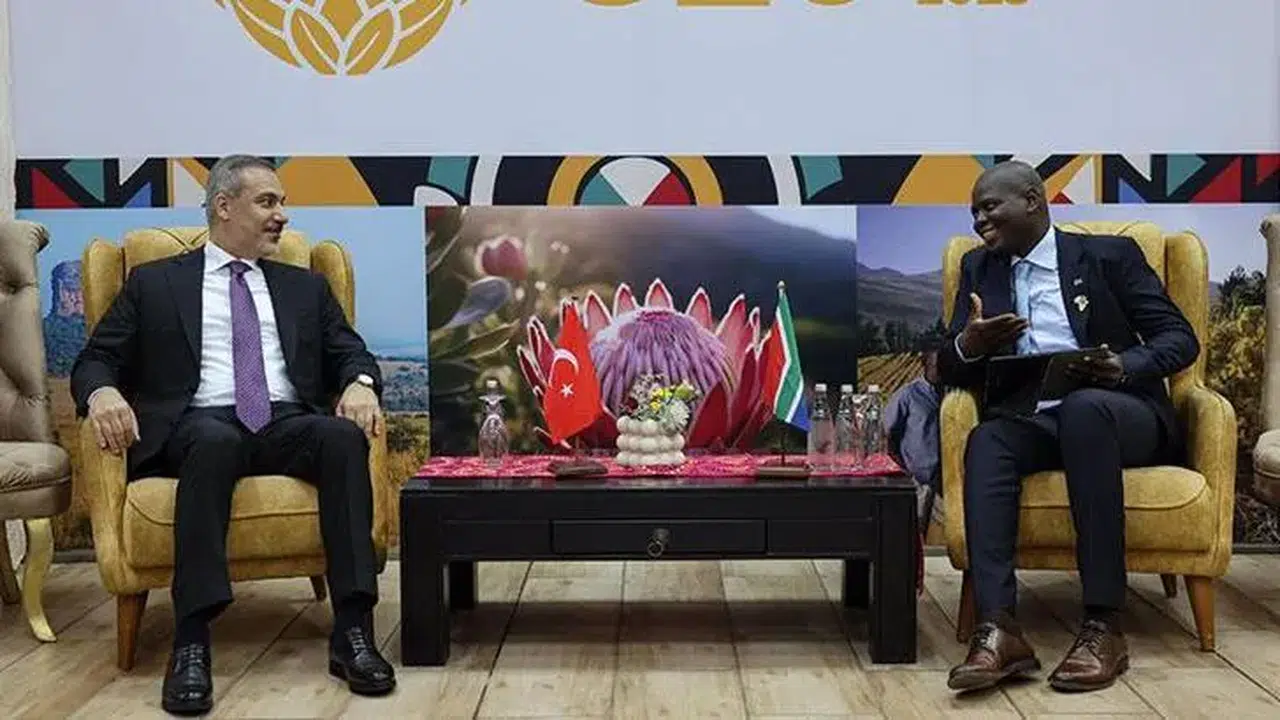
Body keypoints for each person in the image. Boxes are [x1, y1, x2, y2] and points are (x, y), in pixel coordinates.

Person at [69, 155, 395, 715]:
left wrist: (360, 384)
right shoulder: (156, 283)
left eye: (282, 203)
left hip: (284, 420)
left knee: (342, 440)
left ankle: (353, 631)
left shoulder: (304, 287)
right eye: (267, 202)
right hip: (200, 422)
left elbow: (352, 353)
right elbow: (96, 359)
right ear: (223, 206)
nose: (282, 215)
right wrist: (101, 394)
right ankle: (192, 640)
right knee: (214, 442)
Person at [938, 161, 1198, 694]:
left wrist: (1123, 366)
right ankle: (999, 629)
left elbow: (1179, 339)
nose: (979, 221)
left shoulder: (1109, 257)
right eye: (974, 213)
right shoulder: (979, 268)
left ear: (1033, 201)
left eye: (990, 207)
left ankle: (1104, 625)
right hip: (1038, 420)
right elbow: (945, 364)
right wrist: (971, 343)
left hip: (1123, 413)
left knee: (1084, 410)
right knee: (988, 438)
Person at [883, 349, 942, 526]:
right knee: (913, 527)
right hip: (916, 480)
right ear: (924, 365)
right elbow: (886, 435)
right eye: (935, 366)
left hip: (942, 482)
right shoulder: (907, 394)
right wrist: (903, 471)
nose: (939, 371)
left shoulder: (950, 394)